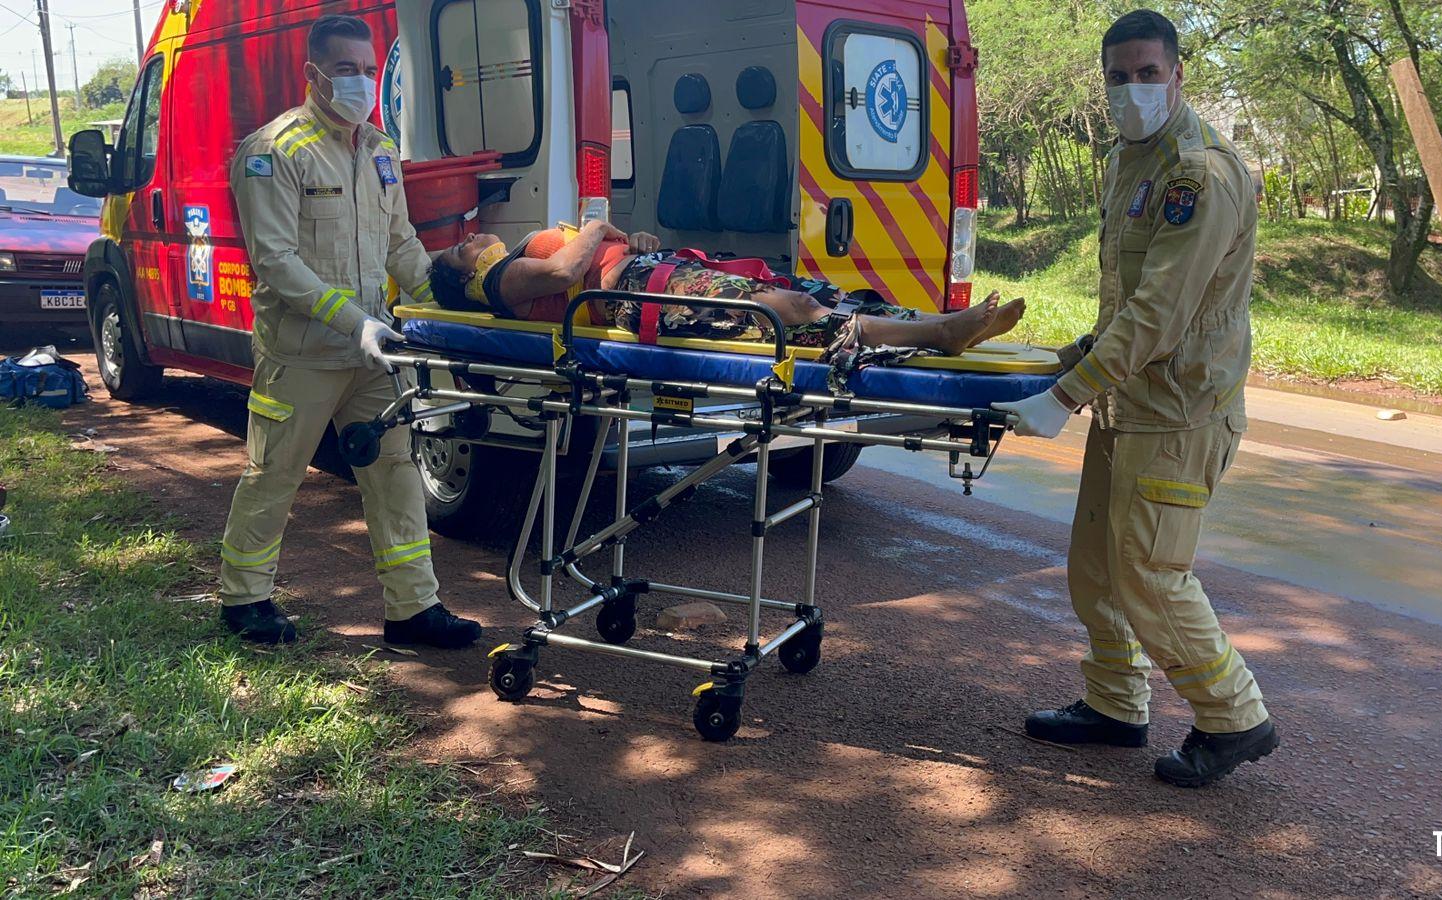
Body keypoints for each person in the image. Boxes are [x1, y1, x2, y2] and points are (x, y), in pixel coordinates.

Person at [995, 9, 1276, 787]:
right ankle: (1116, 704)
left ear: (1179, 73)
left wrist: (1068, 395)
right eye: (1118, 78)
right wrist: (1078, 360)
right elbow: (1126, 300)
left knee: (1149, 572)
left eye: (1148, 74)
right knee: (1096, 567)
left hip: (1180, 411)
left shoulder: (1199, 172)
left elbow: (1162, 311)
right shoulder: (1132, 158)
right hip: (1130, 400)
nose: (1132, 90)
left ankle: (1234, 717)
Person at [216, 14, 481, 649]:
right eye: (345, 71)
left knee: (395, 472)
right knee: (275, 471)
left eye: (368, 70)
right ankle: (243, 599)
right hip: (302, 353)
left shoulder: (381, 151)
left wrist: (442, 307)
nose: (360, 83)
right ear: (312, 75)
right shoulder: (274, 152)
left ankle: (414, 609)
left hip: (371, 352)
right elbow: (276, 262)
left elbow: (401, 246)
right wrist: (355, 321)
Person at [426, 223, 1026, 362]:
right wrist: (595, 224)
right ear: (467, 277)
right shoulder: (502, 280)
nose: (472, 235)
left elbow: (590, 257)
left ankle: (940, 321)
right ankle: (940, 334)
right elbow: (564, 276)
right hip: (642, 294)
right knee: (789, 312)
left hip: (650, 274)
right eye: (460, 248)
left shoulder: (524, 251)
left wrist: (627, 238)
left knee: (816, 293)